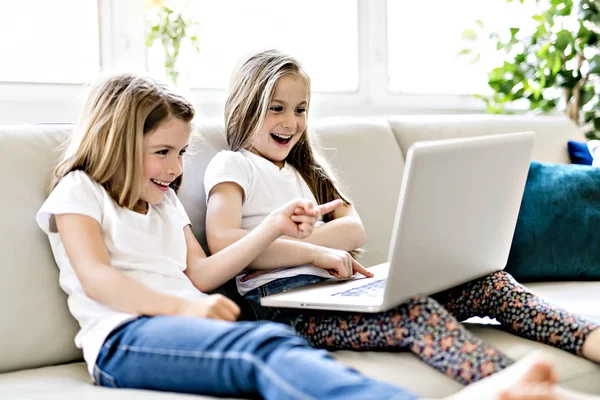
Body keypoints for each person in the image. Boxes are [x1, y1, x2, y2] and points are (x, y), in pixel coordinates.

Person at [36, 71, 579, 400]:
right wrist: (186, 311)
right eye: (163, 152)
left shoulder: (165, 198)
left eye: (181, 154)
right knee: (262, 348)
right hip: (124, 340)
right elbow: (99, 279)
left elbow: (202, 273)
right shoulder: (79, 191)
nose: (177, 168)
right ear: (115, 140)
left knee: (273, 345)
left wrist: (271, 228)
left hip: (179, 325)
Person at [204, 49, 600, 386]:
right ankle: (519, 388)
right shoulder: (233, 164)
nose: (290, 122)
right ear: (246, 105)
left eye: (300, 109)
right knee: (415, 314)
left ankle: (591, 339)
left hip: (335, 293)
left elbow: (353, 229)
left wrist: (305, 250)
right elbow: (226, 243)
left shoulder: (306, 169)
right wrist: (316, 254)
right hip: (285, 307)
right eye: (277, 109)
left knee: (490, 282)